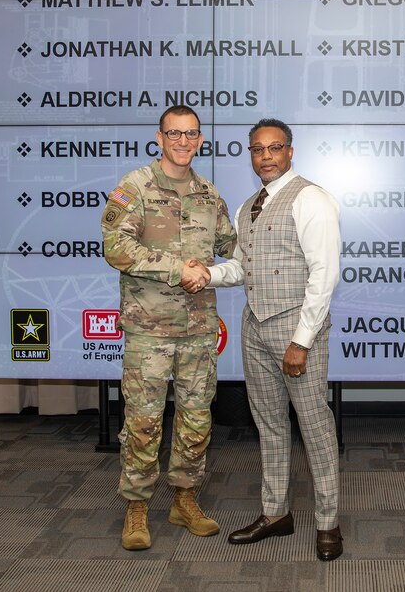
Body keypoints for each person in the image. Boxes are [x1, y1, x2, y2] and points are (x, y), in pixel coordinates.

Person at [202, 118, 344, 561]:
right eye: (257, 149)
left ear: (290, 151)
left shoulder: (311, 199)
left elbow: (324, 276)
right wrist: (205, 274)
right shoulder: (249, 208)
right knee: (270, 426)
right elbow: (242, 267)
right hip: (254, 328)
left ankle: (328, 523)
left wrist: (301, 341)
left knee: (315, 429)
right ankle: (276, 513)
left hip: (295, 332)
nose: (265, 156)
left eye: (274, 147)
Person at [100, 105, 235, 551]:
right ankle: (136, 506)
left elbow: (230, 248)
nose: (183, 141)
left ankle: (184, 497)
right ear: (159, 137)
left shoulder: (210, 195)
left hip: (198, 329)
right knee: (143, 421)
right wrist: (180, 268)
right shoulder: (134, 188)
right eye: (174, 133)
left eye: (191, 134)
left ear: (200, 139)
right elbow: (117, 247)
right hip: (149, 330)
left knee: (196, 418)